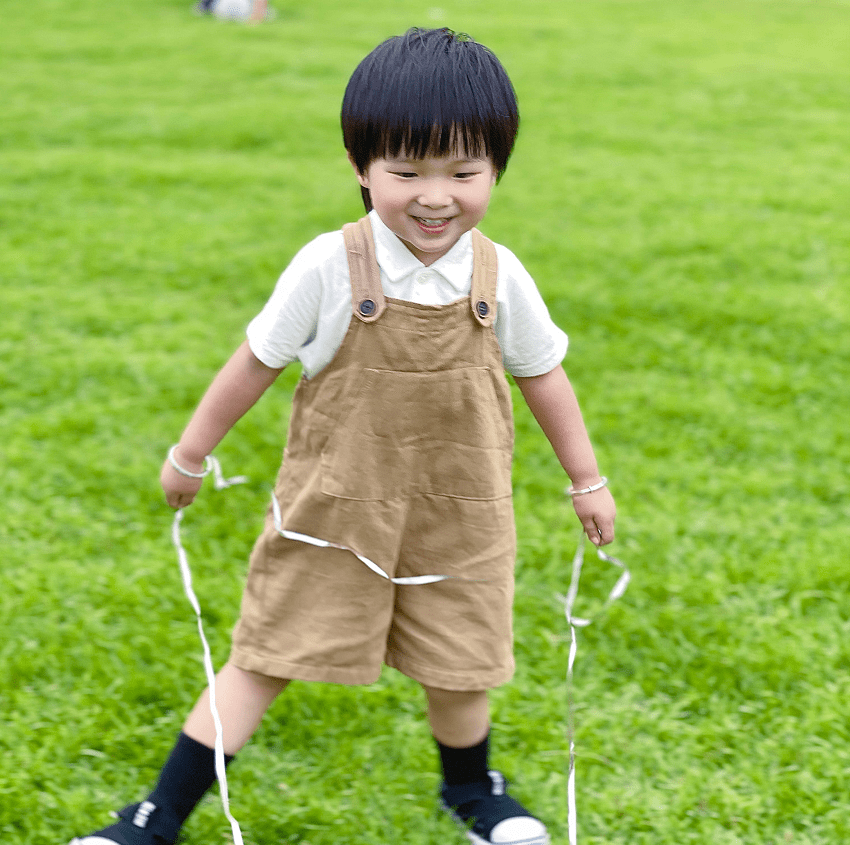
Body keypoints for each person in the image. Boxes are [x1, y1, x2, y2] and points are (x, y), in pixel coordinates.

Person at [69, 27, 615, 845]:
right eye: (406, 172)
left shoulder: (501, 276)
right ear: (361, 168)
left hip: (459, 513)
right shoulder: (329, 266)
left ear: (497, 169)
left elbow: (544, 375)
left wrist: (587, 479)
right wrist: (190, 452)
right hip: (334, 512)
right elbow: (254, 362)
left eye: (464, 172)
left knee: (461, 663)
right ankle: (152, 817)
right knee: (265, 656)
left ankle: (472, 791)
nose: (436, 196)